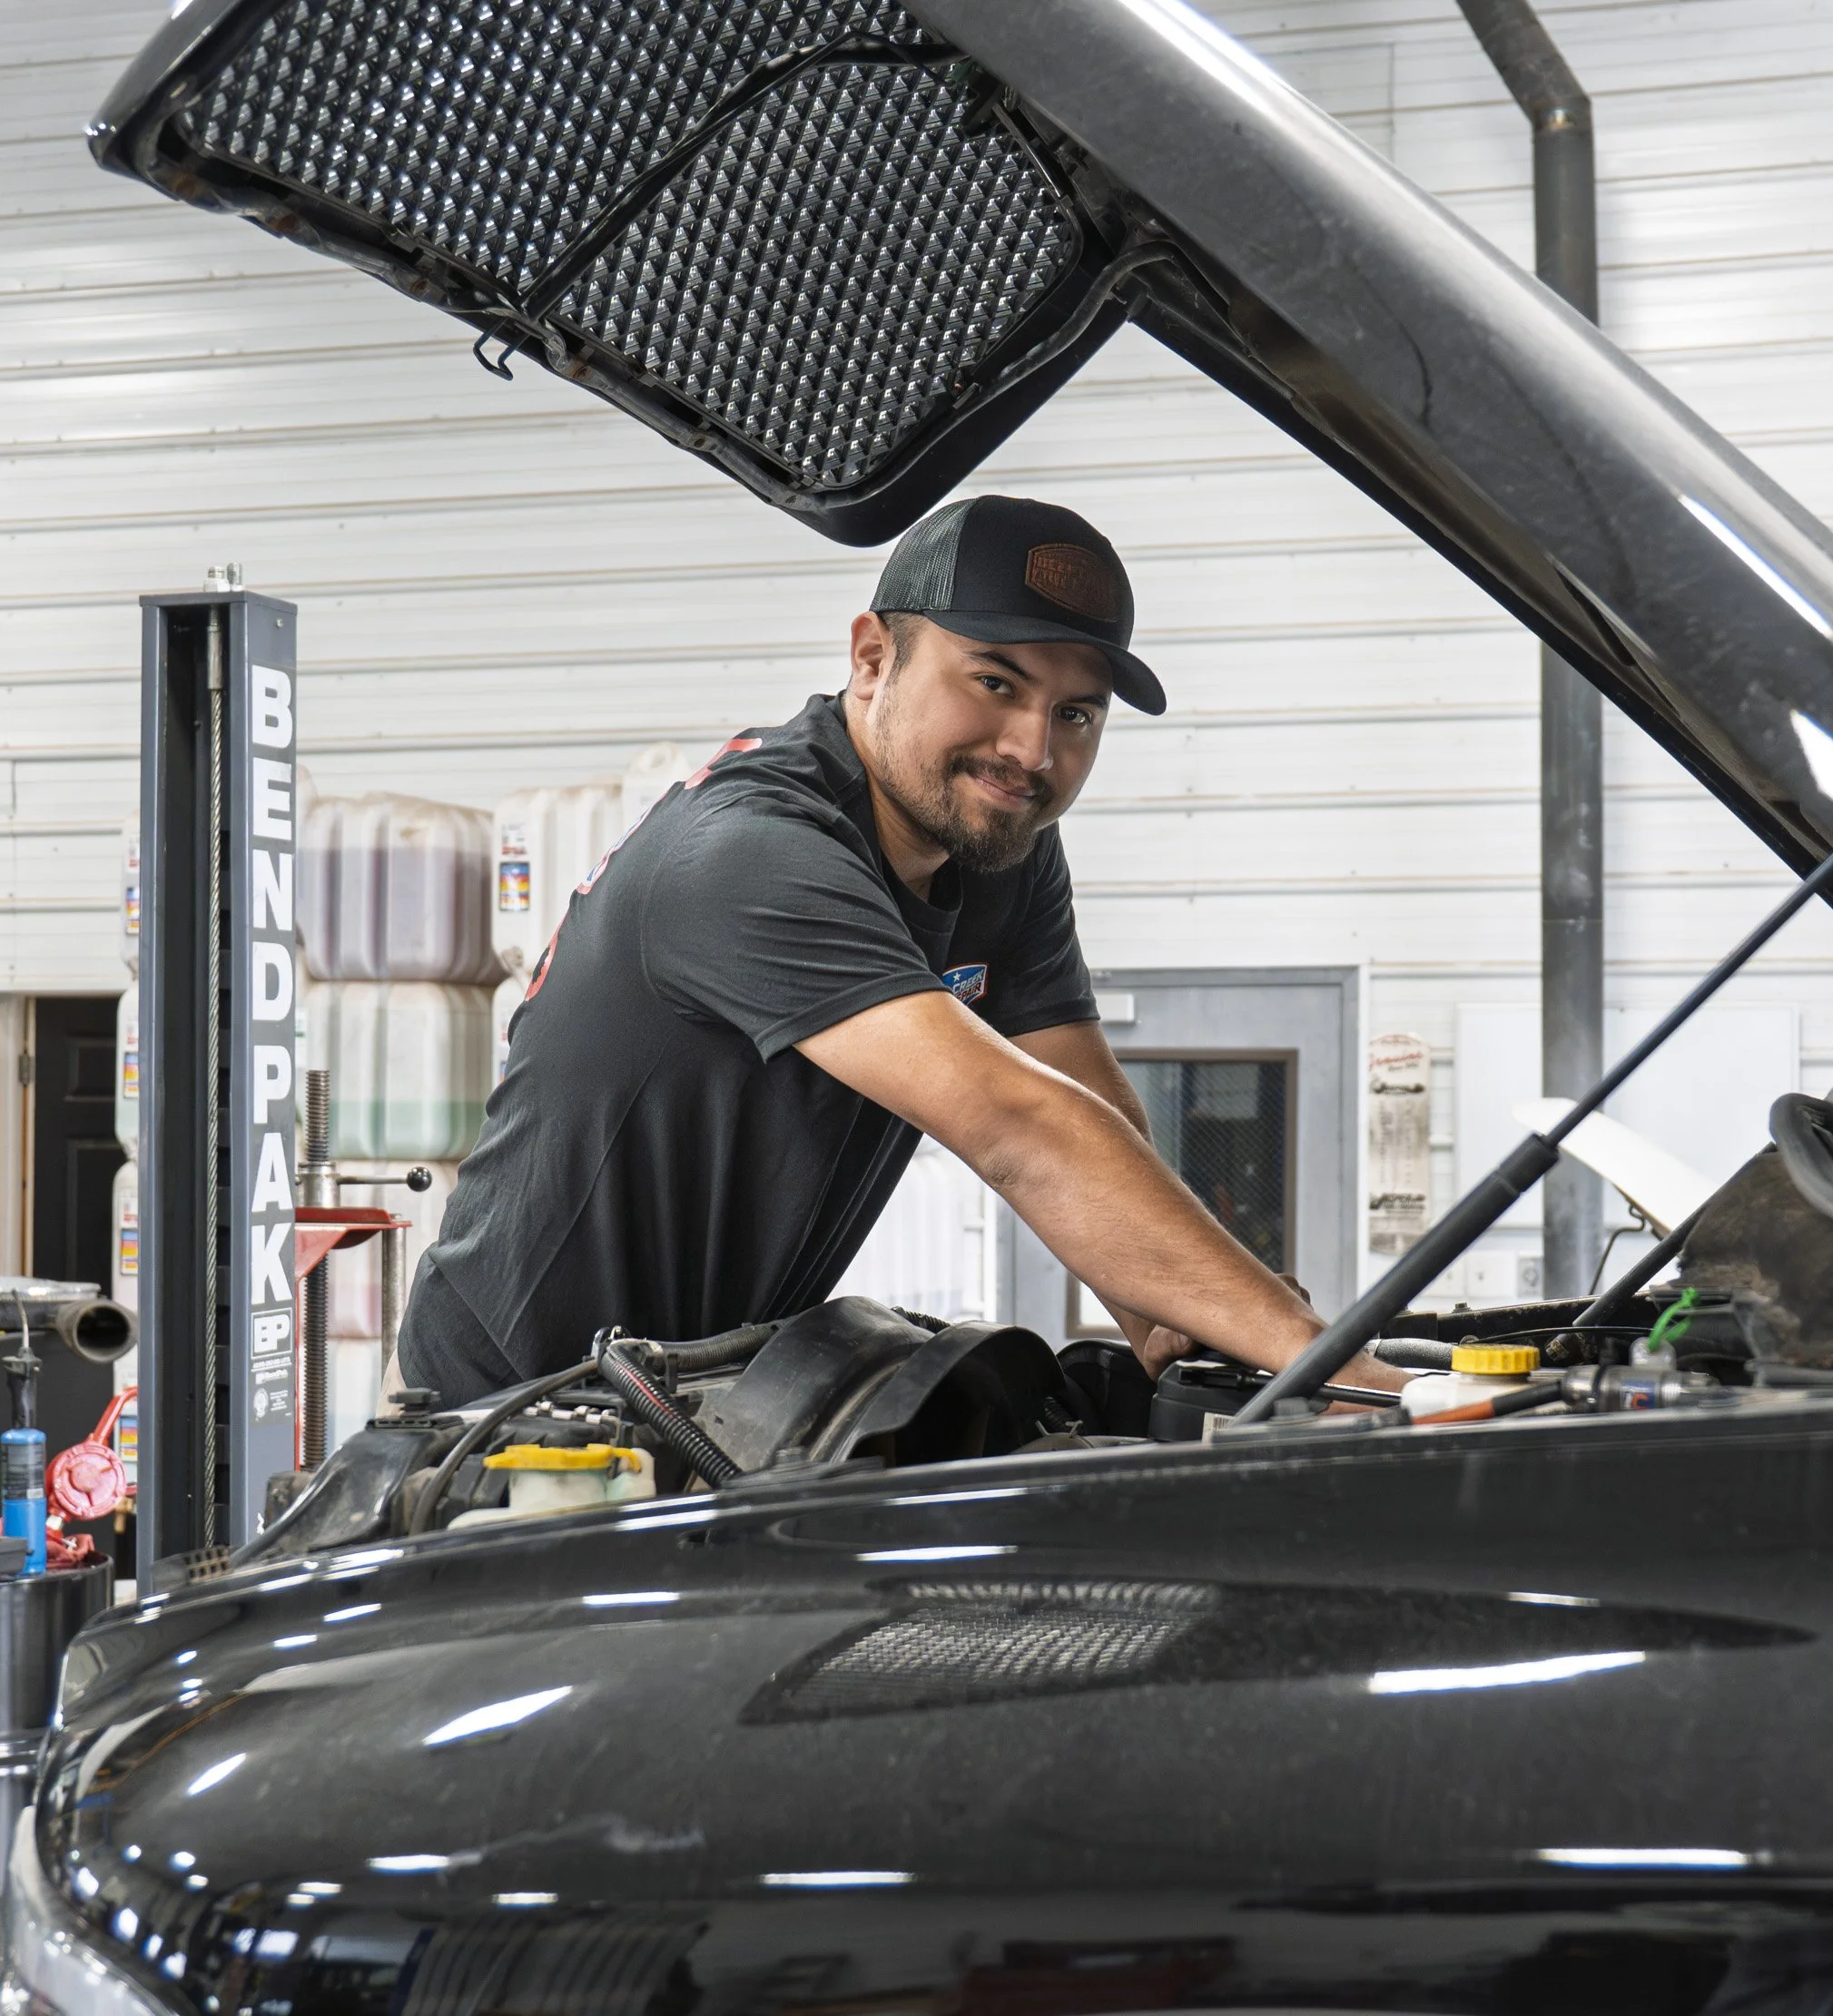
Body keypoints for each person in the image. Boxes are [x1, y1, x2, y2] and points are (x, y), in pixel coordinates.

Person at [398, 495, 1405, 1406]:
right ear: (872, 658)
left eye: (1075, 713)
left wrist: (1177, 1322)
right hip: (510, 1404)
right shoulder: (750, 854)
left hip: (697, 1393)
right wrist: (1328, 1362)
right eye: (995, 682)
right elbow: (1018, 1127)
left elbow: (1088, 1108)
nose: (1031, 749)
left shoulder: (1000, 850)